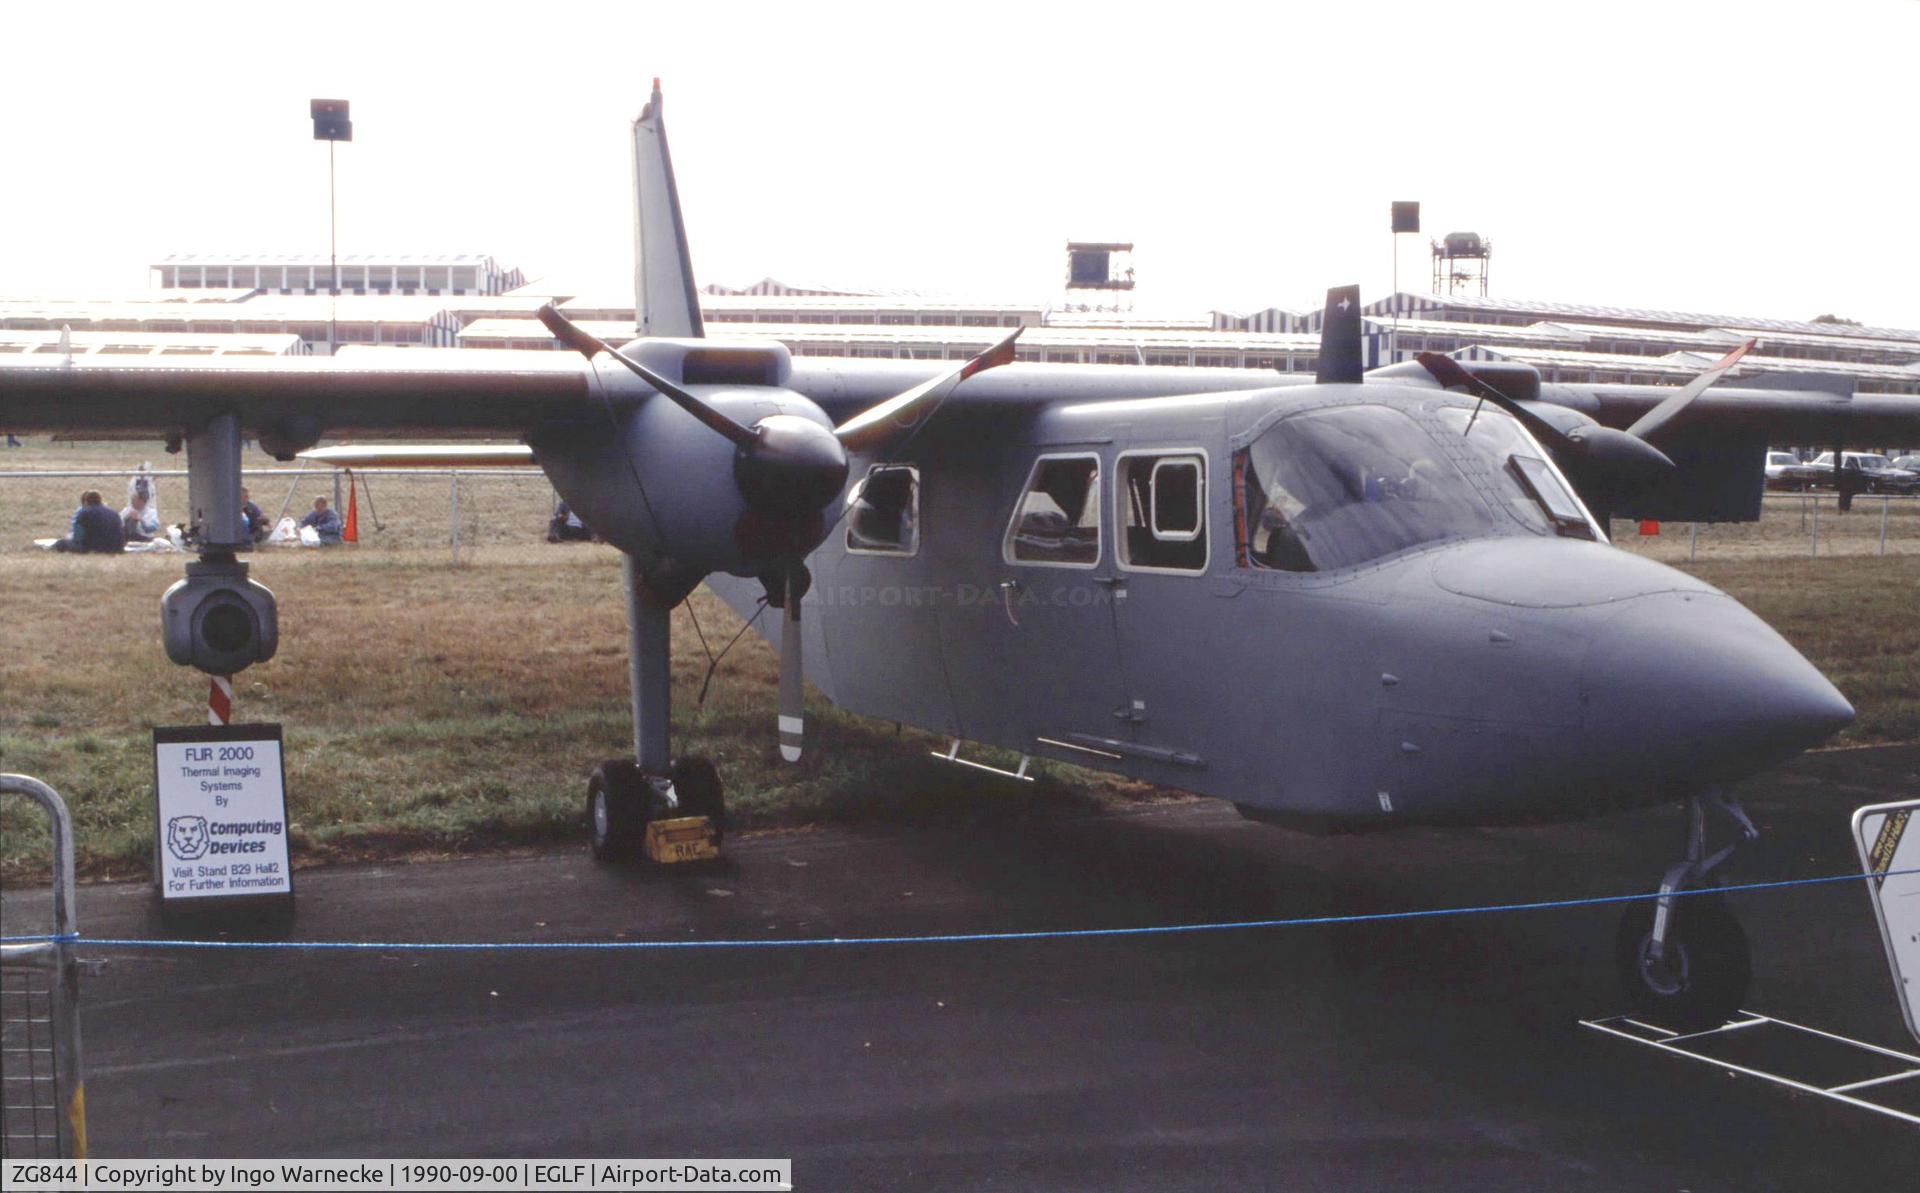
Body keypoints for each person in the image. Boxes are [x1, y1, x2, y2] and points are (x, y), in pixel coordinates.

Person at [51, 490, 125, 553]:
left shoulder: (84, 513)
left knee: (61, 543)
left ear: (86, 502)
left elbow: (78, 538)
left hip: (94, 547)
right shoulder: (113, 512)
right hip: (116, 547)